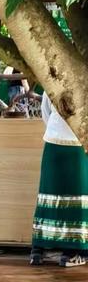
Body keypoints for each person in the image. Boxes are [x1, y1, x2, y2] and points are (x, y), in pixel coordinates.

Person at [30, 92, 88, 268]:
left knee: (49, 194)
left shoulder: (54, 76)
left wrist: (56, 127)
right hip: (78, 142)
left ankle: (40, 248)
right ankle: (77, 250)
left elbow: (45, 110)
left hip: (54, 140)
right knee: (77, 197)